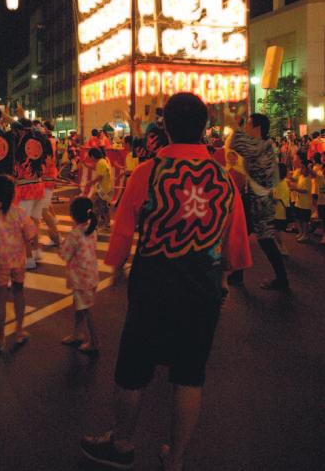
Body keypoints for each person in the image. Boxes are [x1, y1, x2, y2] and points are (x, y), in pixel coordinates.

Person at [81, 93, 252, 471]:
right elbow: (235, 242)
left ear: (167, 128)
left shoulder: (148, 172)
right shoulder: (224, 178)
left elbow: (124, 229)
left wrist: (115, 267)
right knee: (189, 375)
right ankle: (174, 459)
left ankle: (122, 444)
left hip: (153, 285)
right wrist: (223, 276)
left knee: (133, 370)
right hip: (202, 289)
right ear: (205, 128)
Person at [229, 113, 290, 291]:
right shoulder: (263, 145)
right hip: (257, 198)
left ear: (257, 128)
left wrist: (236, 125)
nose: (246, 127)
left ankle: (282, 279)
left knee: (265, 241)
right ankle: (238, 275)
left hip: (260, 200)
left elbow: (235, 143)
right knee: (246, 235)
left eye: (248, 124)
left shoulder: (260, 146)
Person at [0, 175, 37, 352]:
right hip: (18, 260)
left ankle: (1, 337)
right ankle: (19, 331)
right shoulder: (20, 213)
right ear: (13, 193)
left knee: (0, 299)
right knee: (19, 293)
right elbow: (30, 235)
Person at [59, 196, 99, 355]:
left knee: (86, 310)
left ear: (72, 215)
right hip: (91, 275)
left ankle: (95, 341)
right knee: (79, 306)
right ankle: (77, 333)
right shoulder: (91, 229)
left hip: (81, 279)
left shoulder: (75, 234)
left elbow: (64, 254)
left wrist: (57, 239)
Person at [13, 112, 52, 268]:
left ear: (21, 131)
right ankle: (36, 251)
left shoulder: (21, 142)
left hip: (26, 187)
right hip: (39, 184)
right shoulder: (41, 140)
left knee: (23, 224)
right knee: (35, 221)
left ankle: (28, 258)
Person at [88, 147, 113, 231]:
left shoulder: (100, 163)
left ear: (93, 156)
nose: (91, 159)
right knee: (104, 207)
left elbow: (100, 176)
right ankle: (107, 224)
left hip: (102, 189)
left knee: (96, 207)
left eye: (90, 157)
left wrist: (91, 182)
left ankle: (95, 225)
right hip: (106, 188)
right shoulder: (103, 161)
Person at [289, 159, 312, 243]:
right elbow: (295, 181)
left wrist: (295, 189)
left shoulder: (308, 178)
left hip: (306, 203)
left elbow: (305, 190)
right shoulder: (301, 176)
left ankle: (305, 235)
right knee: (299, 218)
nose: (301, 170)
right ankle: (301, 232)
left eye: (303, 168)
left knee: (305, 220)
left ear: (307, 169)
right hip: (299, 202)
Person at [273, 163, 290, 256]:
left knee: (277, 232)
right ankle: (280, 248)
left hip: (279, 212)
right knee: (276, 231)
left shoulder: (281, 184)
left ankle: (283, 248)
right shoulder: (281, 182)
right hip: (278, 211)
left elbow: (276, 199)